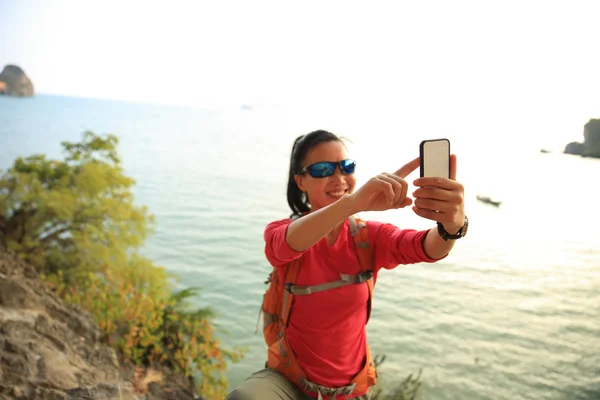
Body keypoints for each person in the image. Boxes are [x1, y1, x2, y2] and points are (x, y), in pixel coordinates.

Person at [226, 130, 467, 400]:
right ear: (300, 182)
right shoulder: (285, 231)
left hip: (350, 392)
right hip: (287, 383)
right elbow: (282, 247)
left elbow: (425, 247)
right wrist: (351, 204)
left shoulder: (368, 237)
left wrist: (452, 227)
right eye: (323, 169)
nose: (339, 178)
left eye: (346, 167)